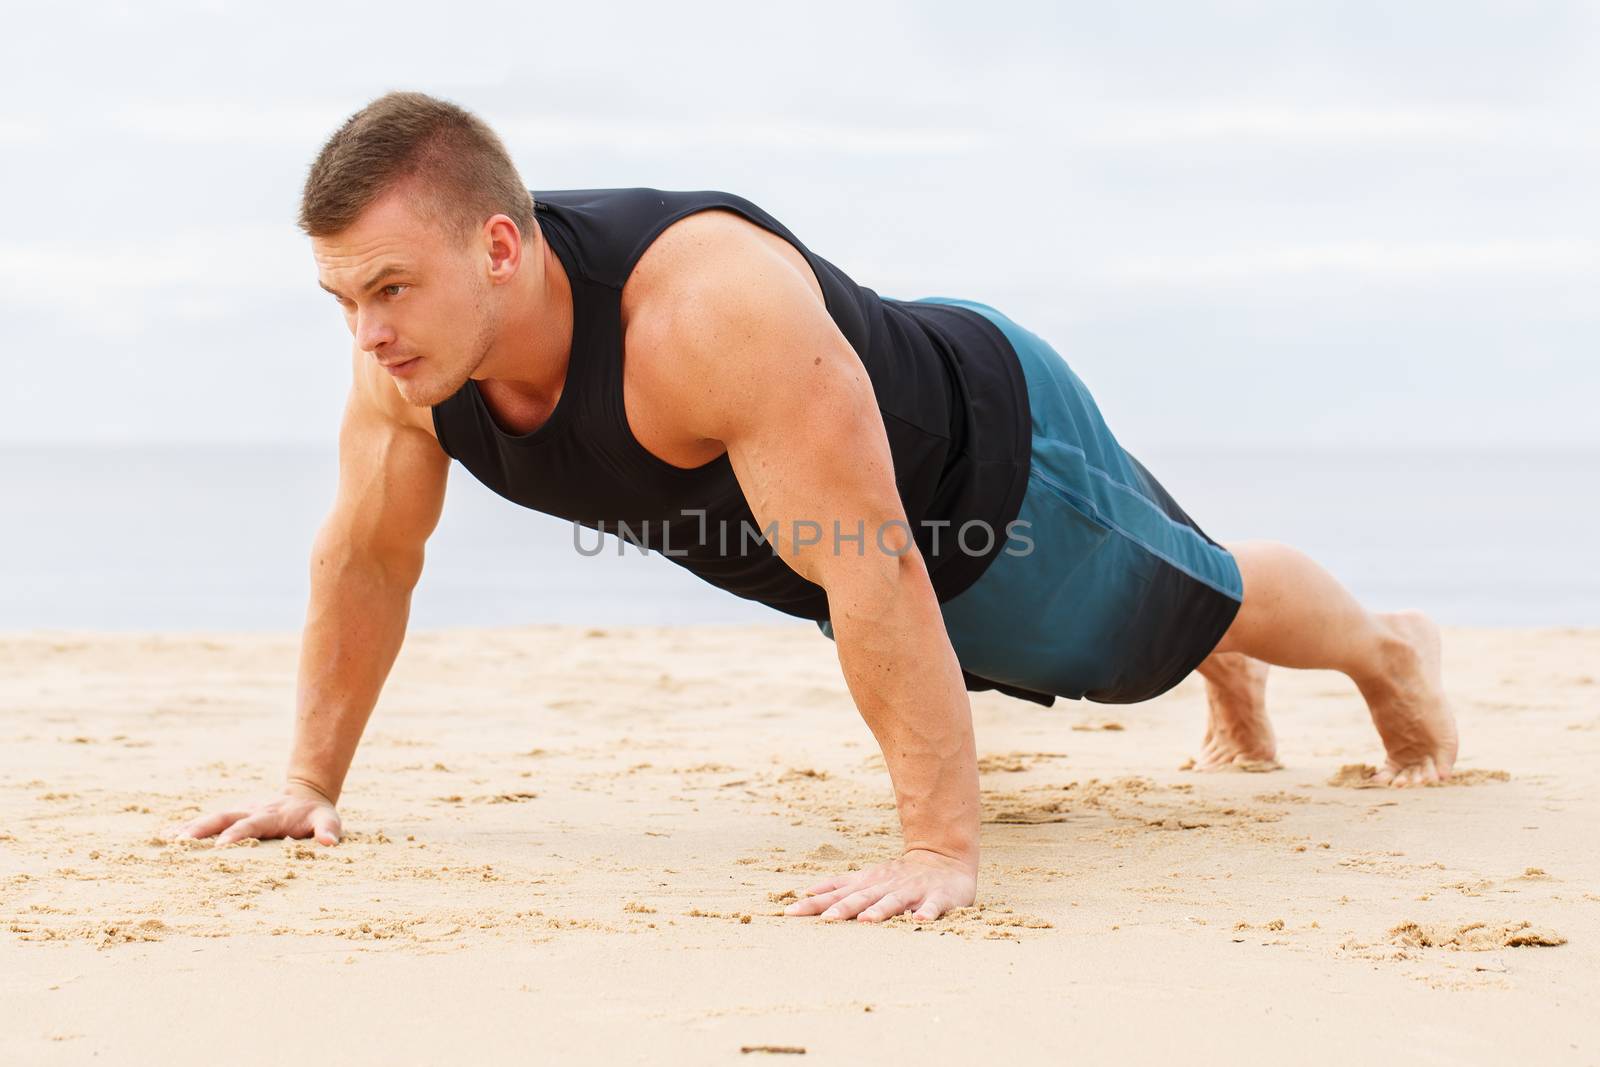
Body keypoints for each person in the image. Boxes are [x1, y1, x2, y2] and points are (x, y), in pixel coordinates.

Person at [177, 91, 1459, 923]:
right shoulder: (408, 375)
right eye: (343, 299)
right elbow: (366, 560)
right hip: (855, 525)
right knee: (1151, 611)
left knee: (1164, 625)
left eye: (389, 287)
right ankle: (1216, 653)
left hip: (991, 466)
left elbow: (876, 567)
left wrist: (935, 849)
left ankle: (1386, 649)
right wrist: (306, 779)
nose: (367, 332)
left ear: (498, 248)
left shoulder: (705, 312)